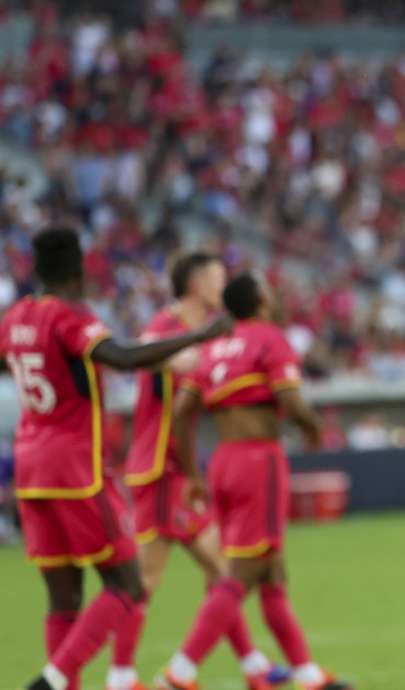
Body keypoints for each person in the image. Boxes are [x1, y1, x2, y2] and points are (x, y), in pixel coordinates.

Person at [5, 228, 230, 690]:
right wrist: (203, 334)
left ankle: (61, 681)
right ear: (79, 268)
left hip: (30, 469)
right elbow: (122, 357)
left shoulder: (14, 319)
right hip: (74, 469)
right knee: (126, 583)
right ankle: (52, 680)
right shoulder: (68, 316)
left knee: (63, 598)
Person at [153, 274, 349, 690]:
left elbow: (182, 412)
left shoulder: (213, 347)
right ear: (259, 300)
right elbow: (291, 400)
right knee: (241, 574)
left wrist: (191, 473)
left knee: (272, 572)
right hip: (258, 459)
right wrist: (314, 429)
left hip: (221, 462)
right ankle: (180, 672)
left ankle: (308, 673)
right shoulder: (269, 339)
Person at [112, 252, 288, 690]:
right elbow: (162, 360)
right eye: (215, 277)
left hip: (178, 470)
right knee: (151, 575)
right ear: (194, 283)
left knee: (221, 572)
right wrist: (213, 352)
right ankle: (122, 676)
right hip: (158, 467)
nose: (221, 285)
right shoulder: (164, 328)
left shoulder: (214, 329)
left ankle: (253, 669)